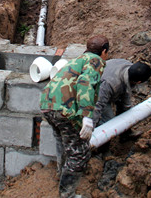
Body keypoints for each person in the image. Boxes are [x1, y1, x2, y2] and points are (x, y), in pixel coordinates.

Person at [40, 35, 110, 198]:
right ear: (104, 51)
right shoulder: (95, 60)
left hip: (47, 104)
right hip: (64, 109)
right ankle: (67, 194)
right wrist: (87, 116)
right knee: (79, 152)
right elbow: (85, 83)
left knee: (62, 140)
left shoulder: (79, 59)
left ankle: (61, 173)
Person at [92, 60, 151, 127]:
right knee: (110, 122)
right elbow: (98, 105)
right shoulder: (110, 84)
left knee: (125, 108)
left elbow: (125, 93)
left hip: (109, 86)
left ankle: (125, 131)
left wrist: (126, 110)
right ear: (139, 82)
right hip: (93, 91)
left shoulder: (129, 68)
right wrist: (90, 126)